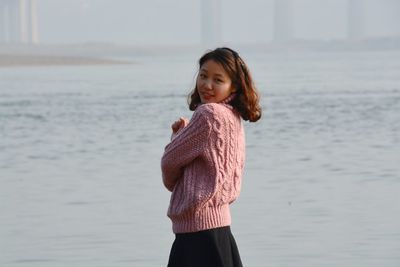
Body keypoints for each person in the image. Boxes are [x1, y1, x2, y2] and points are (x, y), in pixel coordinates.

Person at [161, 47, 262, 267]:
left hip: (197, 234)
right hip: (221, 230)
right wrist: (184, 136)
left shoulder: (208, 114)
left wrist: (177, 137)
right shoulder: (233, 117)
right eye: (203, 75)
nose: (207, 85)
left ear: (233, 85)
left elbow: (169, 164)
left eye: (218, 80)